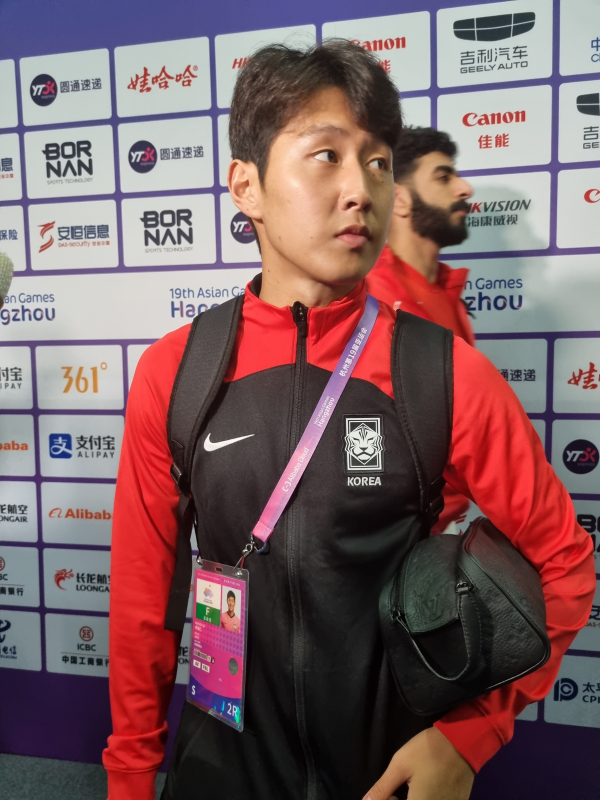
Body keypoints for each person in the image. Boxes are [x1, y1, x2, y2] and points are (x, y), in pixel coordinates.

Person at [103, 41, 595, 800]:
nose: (361, 189)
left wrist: (471, 737)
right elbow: (143, 604)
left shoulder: (447, 373)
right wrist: (131, 780)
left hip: (385, 776)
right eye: (326, 155)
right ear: (247, 186)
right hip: (219, 772)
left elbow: (564, 564)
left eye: (377, 162)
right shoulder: (176, 372)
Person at [367, 128, 474, 533]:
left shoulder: (447, 293)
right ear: (401, 199)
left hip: (447, 533)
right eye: (443, 177)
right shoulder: (366, 297)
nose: (465, 189)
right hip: (391, 543)